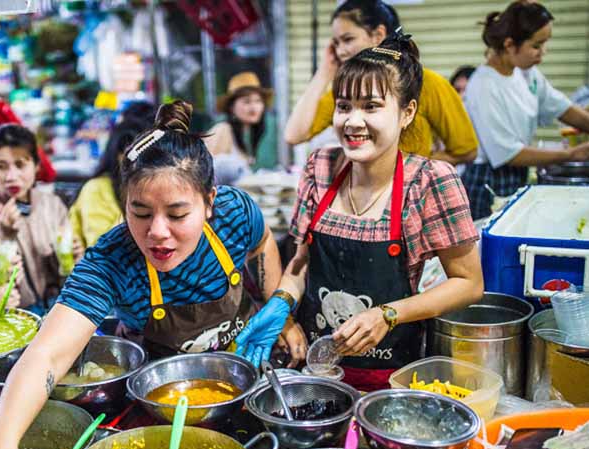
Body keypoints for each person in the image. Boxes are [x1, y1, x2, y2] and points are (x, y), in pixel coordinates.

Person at [0, 101, 285, 449]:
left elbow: (262, 242)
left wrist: (280, 308)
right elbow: (47, 356)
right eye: (140, 213)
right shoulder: (111, 258)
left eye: (178, 214)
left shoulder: (236, 212)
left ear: (210, 202)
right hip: (165, 410)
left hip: (249, 379)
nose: (156, 232)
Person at [238, 34, 484, 391]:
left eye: (371, 107)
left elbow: (469, 284)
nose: (352, 122)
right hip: (317, 370)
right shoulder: (320, 167)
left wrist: (387, 314)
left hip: (393, 379)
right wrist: (281, 302)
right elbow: (302, 263)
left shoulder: (430, 181)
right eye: (343, 106)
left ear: (407, 112)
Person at [283, 0, 477, 166]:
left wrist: (414, 167)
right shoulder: (347, 88)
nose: (340, 51)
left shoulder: (429, 84)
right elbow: (294, 135)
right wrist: (325, 70)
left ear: (378, 35)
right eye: (336, 43)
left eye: (347, 39)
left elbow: (466, 150)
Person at [462, 2, 589, 219]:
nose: (543, 53)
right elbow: (508, 154)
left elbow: (561, 107)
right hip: (488, 182)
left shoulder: (526, 73)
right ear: (510, 45)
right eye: (536, 45)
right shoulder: (485, 86)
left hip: (515, 175)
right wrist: (571, 155)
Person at [0, 124, 77, 315]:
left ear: (37, 165)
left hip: (54, 306)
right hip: (9, 315)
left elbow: (63, 271)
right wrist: (2, 239)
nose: (11, 177)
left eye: (20, 164)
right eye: (1, 166)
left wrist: (70, 255)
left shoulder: (52, 205)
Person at [70, 113, 154, 249]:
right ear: (116, 156)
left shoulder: (157, 187)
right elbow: (102, 250)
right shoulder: (97, 190)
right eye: (130, 155)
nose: (138, 164)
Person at [204, 72, 280, 174]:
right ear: (232, 107)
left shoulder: (251, 132)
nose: (254, 108)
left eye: (258, 101)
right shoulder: (222, 129)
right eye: (247, 102)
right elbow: (205, 172)